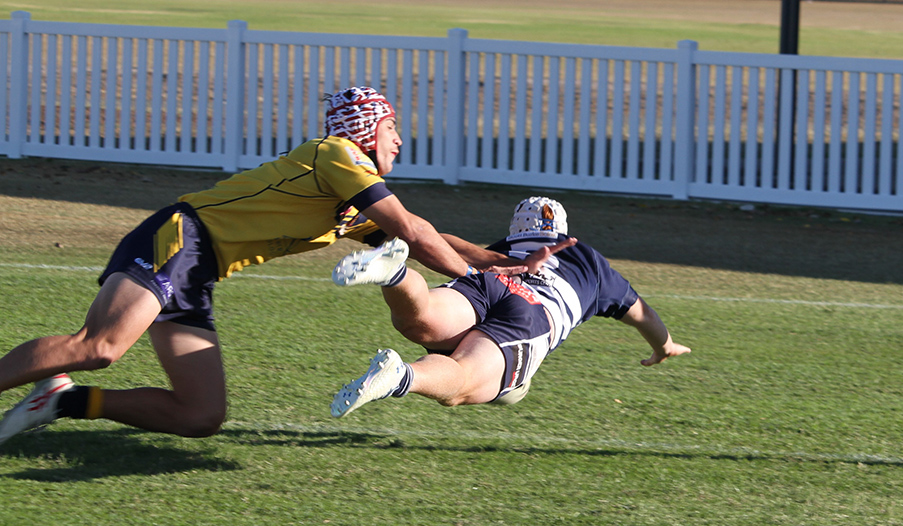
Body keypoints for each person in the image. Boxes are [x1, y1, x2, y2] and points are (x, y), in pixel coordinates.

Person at [0, 86, 550, 447]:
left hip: (199, 273)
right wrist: (480, 279)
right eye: (392, 129)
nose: (401, 141)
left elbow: (427, 231)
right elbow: (412, 231)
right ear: (364, 128)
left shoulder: (347, 199)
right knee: (100, 346)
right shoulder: (338, 154)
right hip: (181, 237)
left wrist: (506, 261)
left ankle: (65, 399)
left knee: (200, 415)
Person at [328, 196, 691, 415]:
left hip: (488, 280)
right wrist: (665, 345)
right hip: (535, 311)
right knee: (463, 383)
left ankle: (395, 275)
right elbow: (641, 313)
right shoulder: (591, 263)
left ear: (516, 228)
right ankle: (403, 376)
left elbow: (443, 242)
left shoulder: (502, 246)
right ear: (563, 230)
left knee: (419, 321)